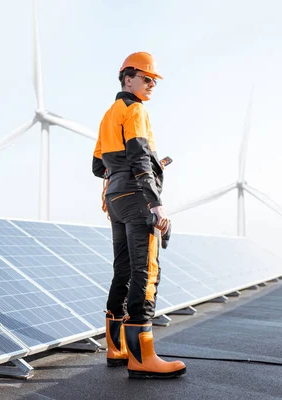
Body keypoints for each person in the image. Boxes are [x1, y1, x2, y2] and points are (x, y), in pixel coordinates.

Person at [92, 52, 186, 378]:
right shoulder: (135, 110)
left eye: (153, 81)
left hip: (116, 199)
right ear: (127, 78)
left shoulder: (108, 115)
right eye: (146, 78)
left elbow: (96, 166)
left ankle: (116, 348)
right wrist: (156, 203)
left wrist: (115, 178)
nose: (151, 85)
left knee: (123, 270)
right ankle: (142, 356)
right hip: (136, 199)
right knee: (146, 273)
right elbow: (139, 156)